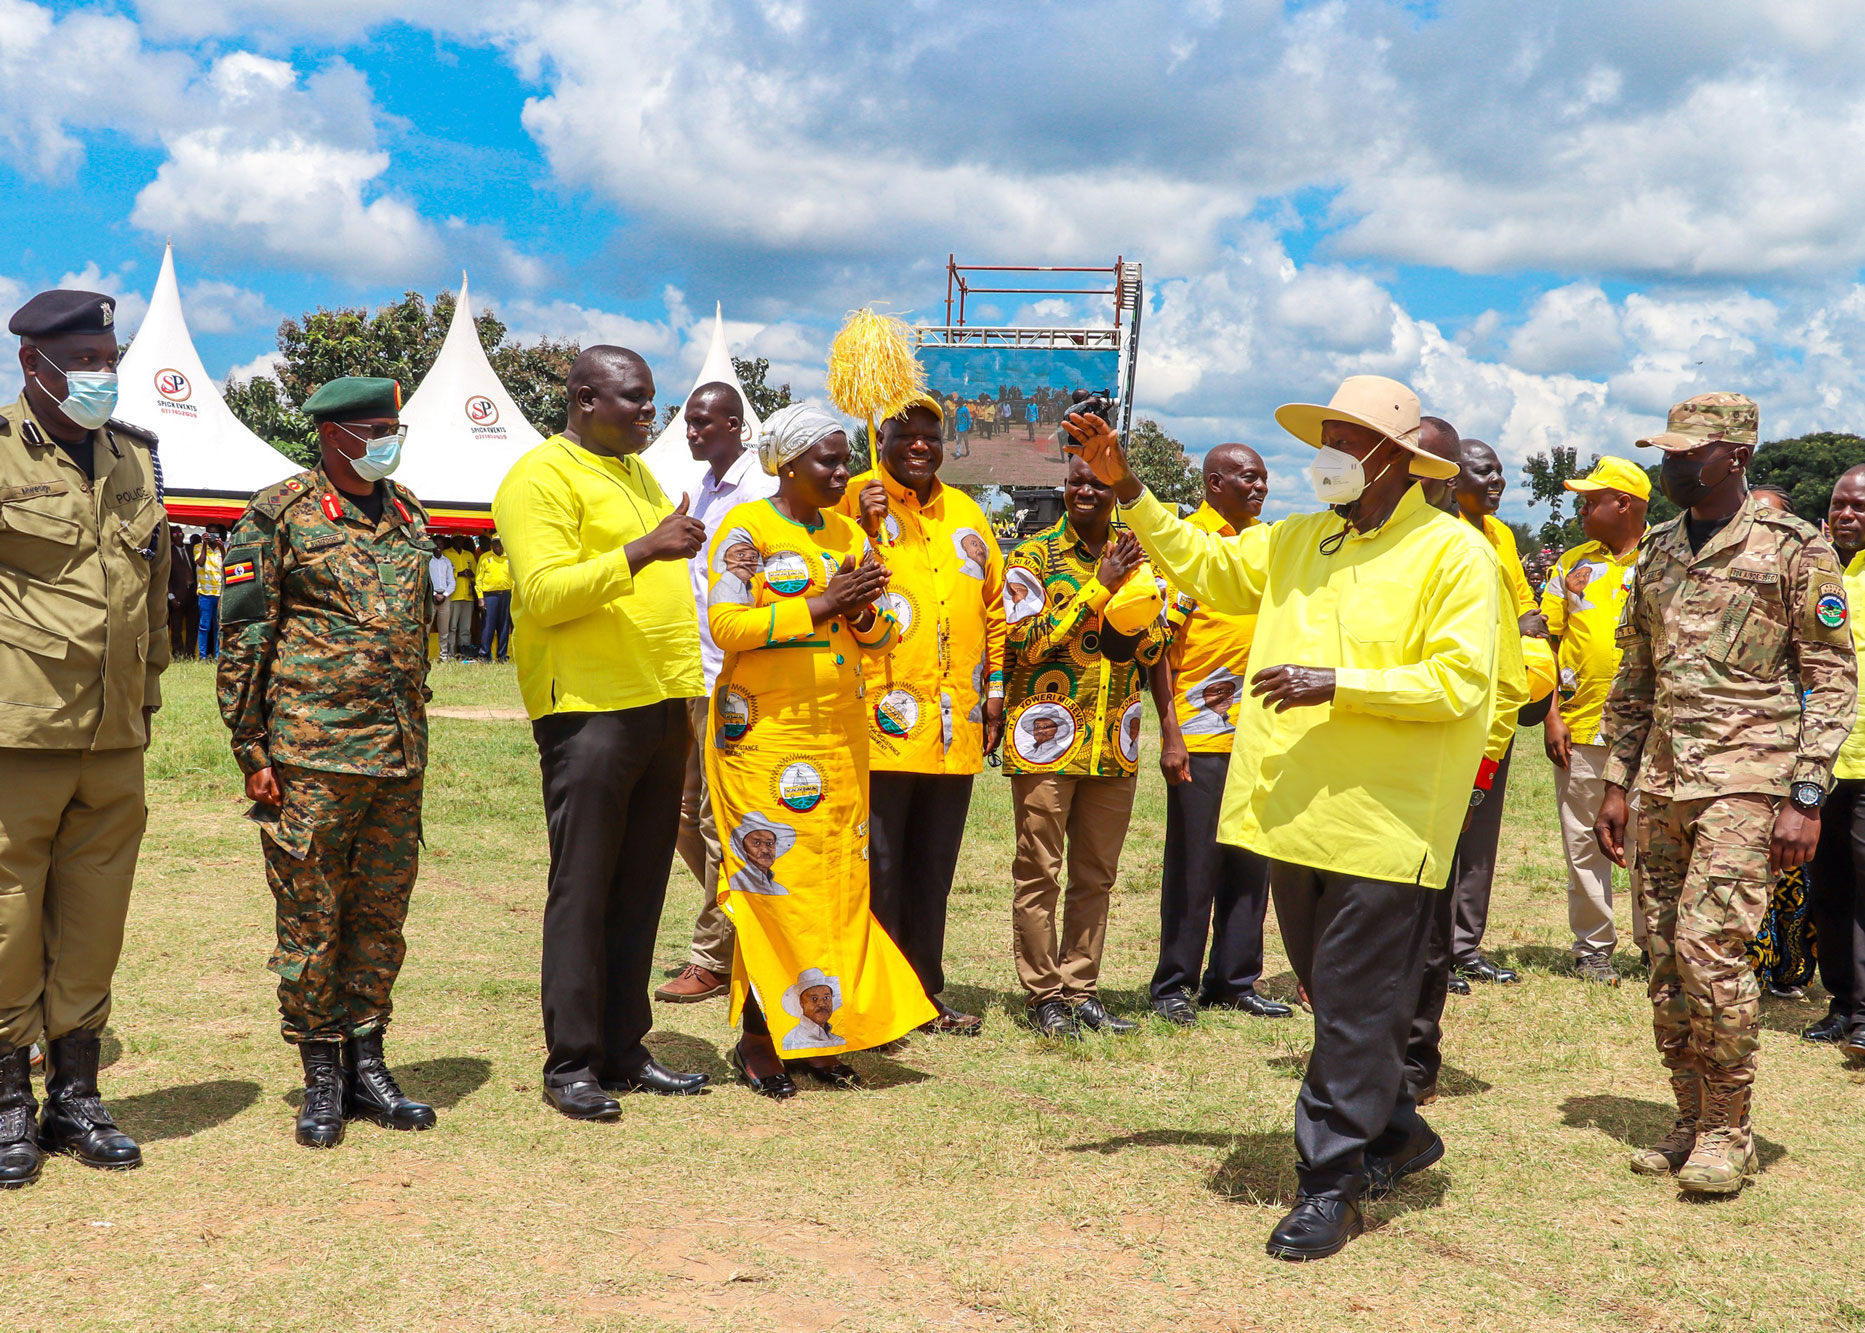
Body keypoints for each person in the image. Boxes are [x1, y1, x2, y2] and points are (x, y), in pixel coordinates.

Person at [1066, 374, 1498, 1261]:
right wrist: (1127, 486)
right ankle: (1397, 1133)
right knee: (1343, 1002)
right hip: (1294, 815)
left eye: (1345, 440)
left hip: (1387, 823)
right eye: (1326, 438)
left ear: (1393, 459)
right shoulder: (1302, 538)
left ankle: (1328, 1184)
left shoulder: (1454, 555)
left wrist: (1335, 685)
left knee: (1346, 1006)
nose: (1328, 456)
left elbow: (1459, 680)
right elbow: (1206, 566)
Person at [1598, 393, 1856, 1194]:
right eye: (1666, 451)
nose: (1668, 464)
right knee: (1664, 957)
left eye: (1685, 452)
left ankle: (1727, 1128)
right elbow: (1634, 671)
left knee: (1713, 954)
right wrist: (1615, 780)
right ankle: (1687, 1113)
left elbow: (1831, 676)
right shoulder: (1660, 548)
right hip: (1662, 785)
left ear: (1734, 455)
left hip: (1746, 785)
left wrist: (1806, 794)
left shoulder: (1794, 547)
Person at [218, 376, 439, 1149]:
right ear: (334, 435)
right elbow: (245, 636)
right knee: (311, 916)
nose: (390, 438)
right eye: (378, 427)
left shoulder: (408, 510)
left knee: (380, 915)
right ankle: (320, 1071)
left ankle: (368, 1060)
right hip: (309, 754)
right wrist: (250, 747)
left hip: (395, 752)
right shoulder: (277, 513)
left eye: (394, 426)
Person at [492, 345, 711, 1121]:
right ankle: (573, 1061)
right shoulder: (539, 477)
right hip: (587, 708)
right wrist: (645, 547)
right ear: (584, 399)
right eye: (635, 399)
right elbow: (546, 592)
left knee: (640, 884)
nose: (651, 413)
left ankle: (624, 1046)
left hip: (657, 703)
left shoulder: (637, 474)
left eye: (653, 399)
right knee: (585, 888)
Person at [703, 404, 936, 1099]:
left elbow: (880, 633)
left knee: (835, 892)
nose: (842, 472)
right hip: (763, 743)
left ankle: (818, 1033)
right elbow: (725, 623)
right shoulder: (746, 528)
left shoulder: (847, 533)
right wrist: (820, 604)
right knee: (774, 889)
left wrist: (861, 610)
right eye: (829, 461)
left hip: (837, 742)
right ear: (789, 462)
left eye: (843, 459)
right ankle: (757, 1036)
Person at [0, 289, 171, 1188]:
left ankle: (75, 1094)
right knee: (7, 918)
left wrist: (146, 700)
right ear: (35, 366)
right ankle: (5, 1102)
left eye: (111, 359)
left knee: (95, 919)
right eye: (88, 363)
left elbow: (155, 584)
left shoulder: (135, 459)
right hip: (17, 730)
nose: (105, 375)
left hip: (113, 736)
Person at [838, 397, 1005, 1036]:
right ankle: (878, 1001)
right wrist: (859, 519)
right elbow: (824, 566)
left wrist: (991, 695)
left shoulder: (966, 513)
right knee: (878, 868)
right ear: (880, 439)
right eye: (904, 435)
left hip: (952, 728)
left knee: (932, 870)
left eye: (930, 436)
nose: (919, 446)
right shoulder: (852, 499)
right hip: (876, 727)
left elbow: (993, 608)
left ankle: (925, 994)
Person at [1002, 448, 1168, 1040]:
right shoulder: (1032, 556)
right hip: (1044, 742)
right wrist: (1098, 590)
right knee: (1039, 871)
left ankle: (1082, 989)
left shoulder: (1139, 553)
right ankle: (1044, 995)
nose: (1085, 492)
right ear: (1064, 487)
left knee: (1096, 875)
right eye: (1075, 482)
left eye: (1098, 483)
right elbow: (1025, 643)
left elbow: (1153, 649)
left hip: (1113, 744)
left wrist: (1135, 613)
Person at [1403, 416, 1529, 1108]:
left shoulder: (1476, 550)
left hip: (1452, 758)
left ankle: (1412, 1063)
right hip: (1386, 765)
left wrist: (1480, 768)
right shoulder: (1378, 544)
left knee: (1424, 907)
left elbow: (1506, 672)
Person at [1147, 443, 1291, 1026]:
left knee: (1250, 861)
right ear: (1213, 483)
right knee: (1194, 863)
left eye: (1263, 478)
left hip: (1256, 735)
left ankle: (1234, 979)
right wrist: (1170, 732)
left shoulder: (1269, 549)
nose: (1260, 487)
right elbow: (1157, 650)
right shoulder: (1191, 553)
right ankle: (1174, 984)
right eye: (1247, 478)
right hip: (1199, 735)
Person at [656, 382, 777, 1004]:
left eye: (704, 422)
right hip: (689, 672)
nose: (692, 432)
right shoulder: (701, 489)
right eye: (690, 423)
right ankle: (752, 921)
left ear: (738, 425)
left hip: (735, 679)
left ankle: (713, 956)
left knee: (713, 819)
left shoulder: (760, 492)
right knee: (679, 814)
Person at [1541, 458, 1651, 986]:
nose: (1582, 510)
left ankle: (1656, 945)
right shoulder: (1571, 564)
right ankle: (1593, 949)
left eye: (1591, 501)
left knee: (1650, 840)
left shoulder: (1666, 558)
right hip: (1582, 729)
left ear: (1624, 504)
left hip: (1653, 733)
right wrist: (1551, 716)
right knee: (1585, 840)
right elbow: (1547, 642)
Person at [1441, 439, 1537, 987]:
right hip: (1456, 703)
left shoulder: (1499, 534)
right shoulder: (1445, 533)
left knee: (1481, 836)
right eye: (1485, 471)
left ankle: (1465, 945)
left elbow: (1523, 602)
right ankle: (1435, 943)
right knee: (1449, 825)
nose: (1497, 480)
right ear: (1453, 479)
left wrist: (1529, 622)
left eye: (1501, 471)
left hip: (1499, 704)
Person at [1807, 465, 1865, 1061]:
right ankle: (1841, 1003)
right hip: (1822, 761)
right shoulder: (1819, 572)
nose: (1848, 515)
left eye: (1860, 507)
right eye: (1840, 505)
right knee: (1830, 887)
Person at [475, 534, 514, 663]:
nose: (497, 545)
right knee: (488, 625)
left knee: (504, 626)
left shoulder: (509, 558)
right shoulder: (485, 558)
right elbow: (478, 579)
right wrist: (480, 597)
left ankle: (502, 655)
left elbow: (513, 578)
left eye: (499, 543)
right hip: (490, 596)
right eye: (495, 543)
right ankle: (484, 654)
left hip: (506, 594)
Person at [441, 536, 476, 660]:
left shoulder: (469, 555)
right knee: (452, 627)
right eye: (457, 539)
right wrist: (458, 574)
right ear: (452, 541)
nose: (459, 542)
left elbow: (476, 575)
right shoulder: (446, 554)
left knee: (465, 627)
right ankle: (450, 653)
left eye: (461, 540)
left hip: (467, 596)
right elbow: (443, 573)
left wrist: (471, 575)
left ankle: (464, 652)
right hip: (453, 596)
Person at [195, 524, 226, 660]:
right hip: (205, 593)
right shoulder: (198, 547)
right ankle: (202, 656)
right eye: (210, 534)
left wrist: (222, 549)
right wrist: (204, 544)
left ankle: (218, 656)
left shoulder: (223, 548)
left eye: (215, 534)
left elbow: (227, 566)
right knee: (204, 626)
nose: (213, 537)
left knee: (218, 627)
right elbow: (200, 562)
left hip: (220, 593)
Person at [167, 525, 196, 659]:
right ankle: (178, 653)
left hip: (193, 595)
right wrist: (171, 596)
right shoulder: (168, 553)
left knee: (192, 627)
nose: (178, 535)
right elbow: (165, 577)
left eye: (180, 532)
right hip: (177, 596)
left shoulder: (191, 550)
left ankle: (190, 654)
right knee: (176, 627)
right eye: (175, 533)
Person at [427, 541, 456, 657]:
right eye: (436, 544)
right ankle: (426, 655)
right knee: (427, 627)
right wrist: (434, 594)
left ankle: (443, 655)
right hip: (430, 597)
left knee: (444, 629)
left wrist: (444, 595)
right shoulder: (428, 561)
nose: (439, 547)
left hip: (444, 597)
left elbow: (452, 581)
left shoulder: (447, 561)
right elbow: (426, 580)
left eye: (441, 544)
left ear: (444, 546)